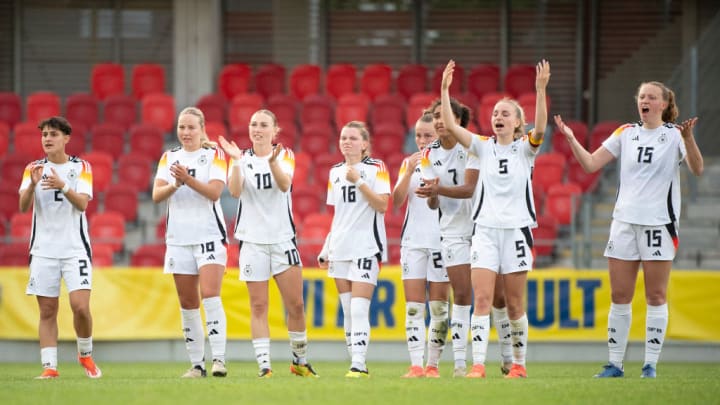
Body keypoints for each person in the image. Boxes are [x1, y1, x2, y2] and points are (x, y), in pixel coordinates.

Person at [554, 81, 703, 379]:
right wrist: (571, 139)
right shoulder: (625, 132)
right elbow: (591, 165)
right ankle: (615, 364)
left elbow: (697, 169)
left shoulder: (674, 135)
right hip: (623, 223)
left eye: (651, 97)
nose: (644, 101)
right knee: (619, 295)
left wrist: (689, 139)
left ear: (663, 104)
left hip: (659, 224)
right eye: (641, 96)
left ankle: (650, 365)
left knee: (656, 295)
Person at [440, 59, 551, 379]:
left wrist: (540, 91)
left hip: (516, 232)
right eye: (495, 113)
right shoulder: (483, 146)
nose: (498, 117)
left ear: (518, 123)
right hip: (485, 232)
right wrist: (445, 91)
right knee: (483, 299)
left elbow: (541, 129)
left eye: (505, 113)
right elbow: (453, 125)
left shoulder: (525, 149)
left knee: (514, 303)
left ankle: (519, 364)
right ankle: (477, 366)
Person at [415, 98, 513, 377]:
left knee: (498, 297)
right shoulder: (427, 155)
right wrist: (432, 195)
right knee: (460, 295)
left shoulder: (473, 145)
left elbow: (470, 188)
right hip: (453, 230)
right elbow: (433, 204)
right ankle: (460, 365)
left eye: (443, 115)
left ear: (458, 120)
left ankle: (508, 359)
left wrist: (438, 189)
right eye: (434, 116)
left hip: (485, 225)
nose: (438, 120)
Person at [218, 109, 318, 379]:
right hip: (252, 242)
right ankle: (265, 366)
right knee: (259, 306)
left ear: (275, 131)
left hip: (282, 239)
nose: (257, 129)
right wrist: (236, 161)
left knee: (296, 305)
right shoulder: (240, 158)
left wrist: (272, 162)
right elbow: (235, 191)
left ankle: (299, 361)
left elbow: (284, 185)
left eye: (263, 125)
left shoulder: (285, 155)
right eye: (253, 124)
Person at [19, 116, 102, 379]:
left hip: (75, 249)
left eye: (53, 134)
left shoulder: (82, 167)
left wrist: (62, 185)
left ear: (66, 138)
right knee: (47, 310)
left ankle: (85, 354)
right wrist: (32, 184)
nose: (47, 139)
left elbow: (82, 204)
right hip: (43, 250)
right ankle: (50, 367)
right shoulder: (32, 168)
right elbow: (22, 207)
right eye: (44, 134)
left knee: (80, 306)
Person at [152, 107, 229, 378]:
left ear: (201, 129)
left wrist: (187, 179)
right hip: (178, 239)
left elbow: (215, 192)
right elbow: (156, 195)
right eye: (181, 127)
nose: (185, 132)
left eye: (191, 128)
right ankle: (197, 364)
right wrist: (175, 184)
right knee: (187, 303)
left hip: (208, 235)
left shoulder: (214, 155)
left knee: (210, 295)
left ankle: (219, 360)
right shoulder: (169, 157)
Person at [317, 121, 390, 378]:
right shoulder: (334, 172)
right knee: (347, 310)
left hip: (366, 247)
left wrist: (359, 181)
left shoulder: (376, 168)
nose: (347, 142)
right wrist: (327, 248)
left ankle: (358, 363)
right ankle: (357, 363)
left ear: (365, 144)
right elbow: (339, 216)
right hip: (340, 249)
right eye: (343, 137)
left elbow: (382, 205)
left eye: (353, 138)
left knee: (359, 308)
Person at [392, 113, 450, 378]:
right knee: (414, 307)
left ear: (438, 136)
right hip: (413, 242)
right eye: (418, 135)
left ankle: (433, 365)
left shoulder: (447, 161)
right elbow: (395, 201)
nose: (422, 140)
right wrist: (407, 173)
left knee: (439, 308)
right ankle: (416, 365)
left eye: (428, 135)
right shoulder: (408, 162)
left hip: (441, 242)